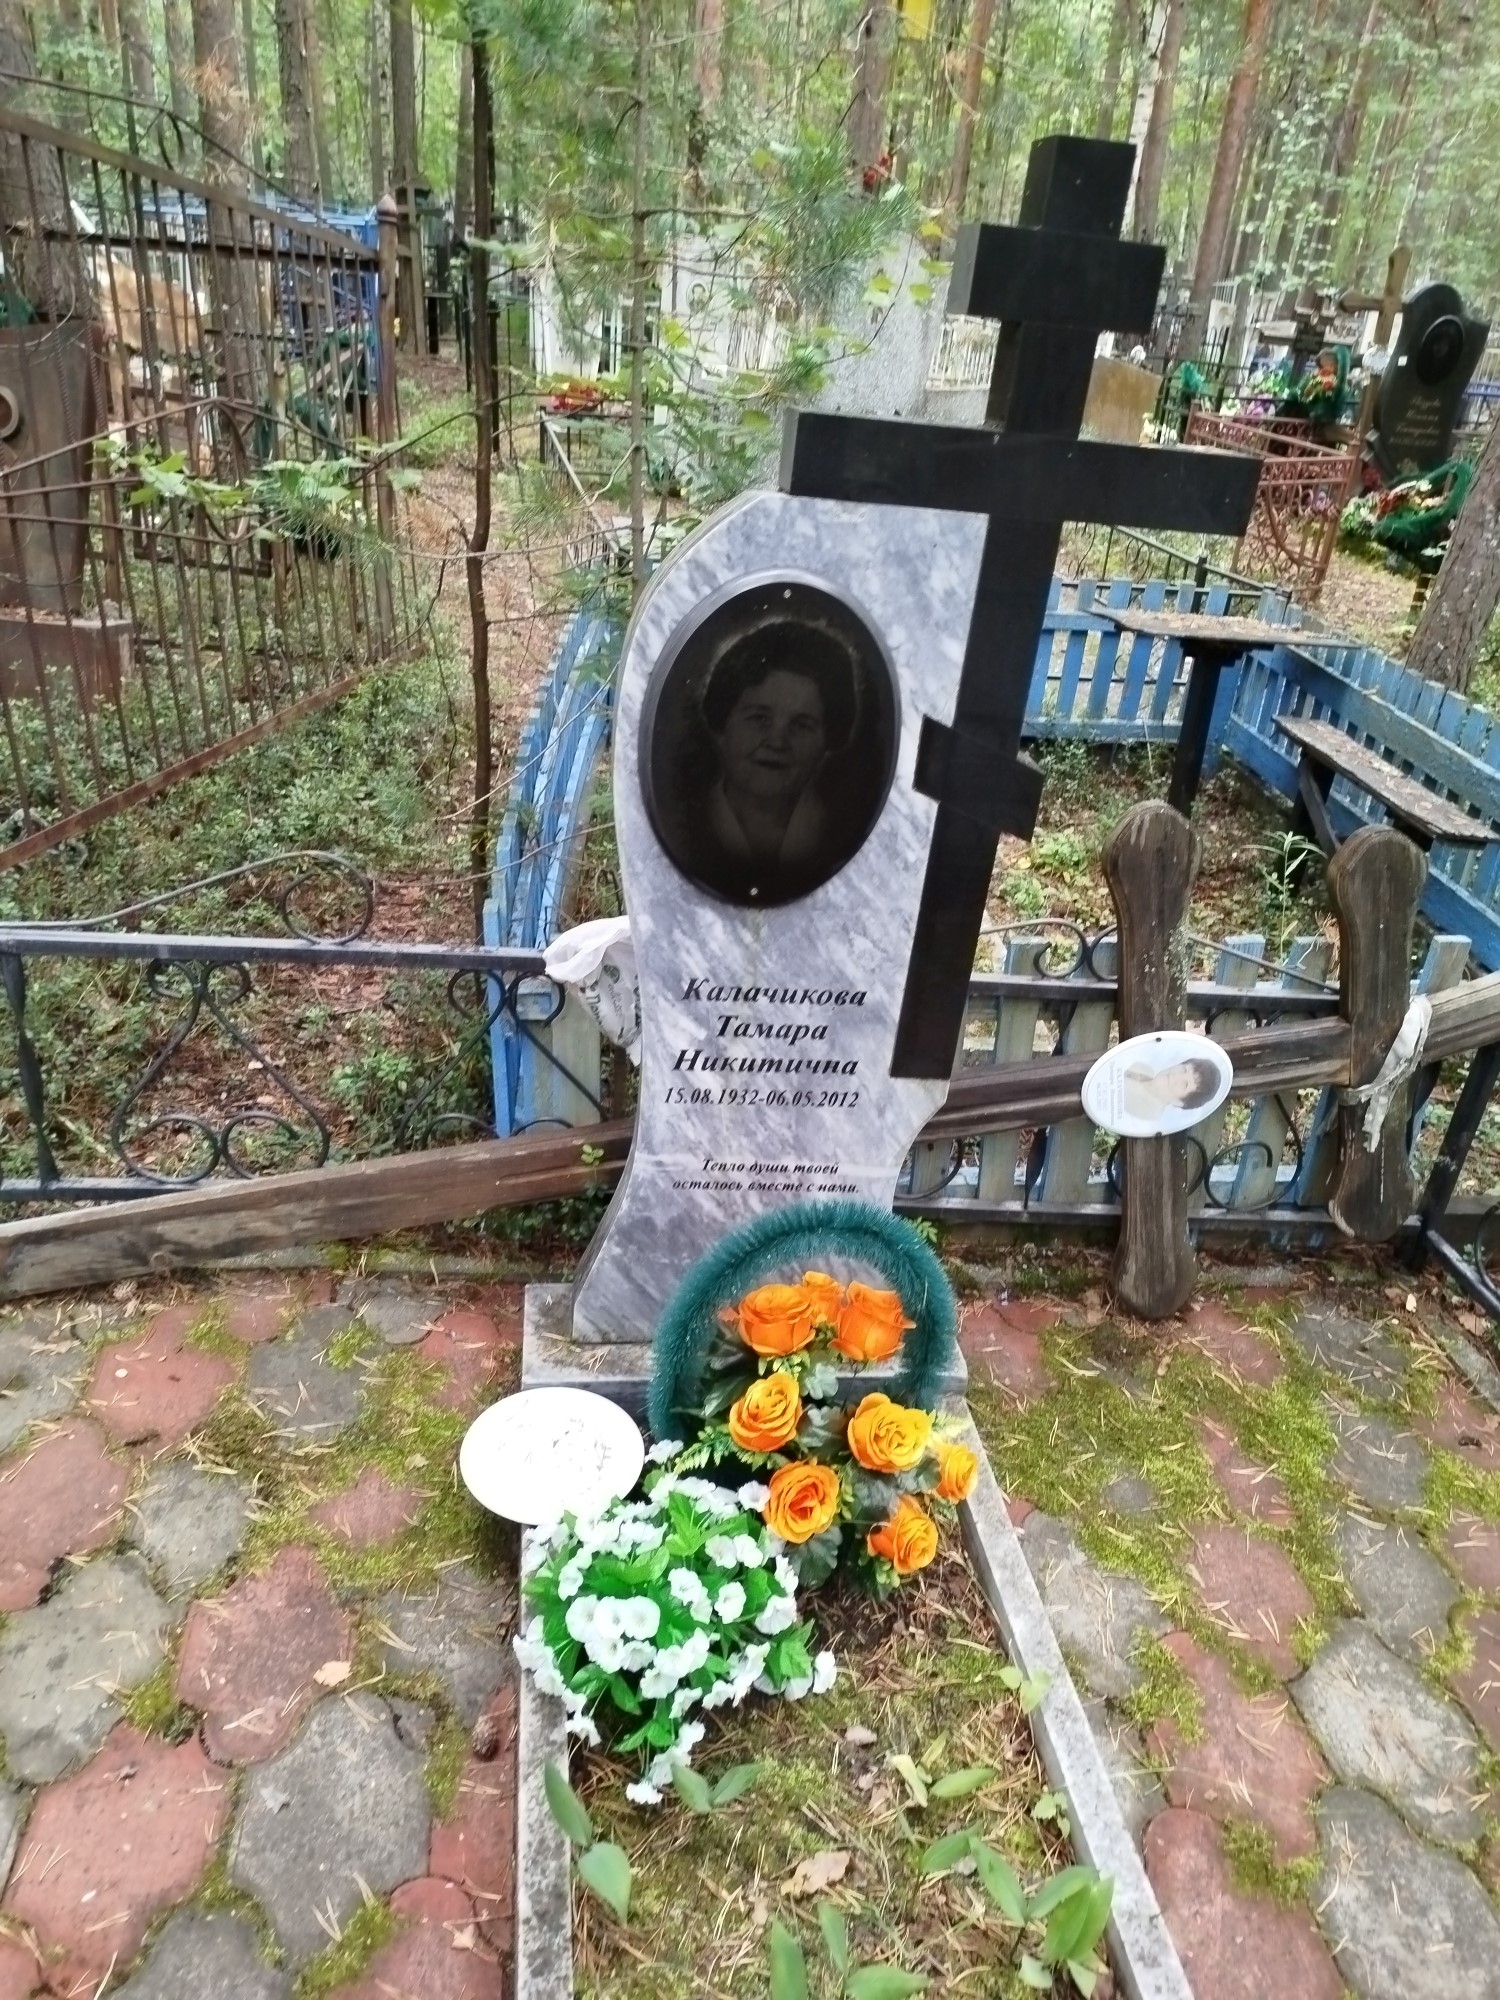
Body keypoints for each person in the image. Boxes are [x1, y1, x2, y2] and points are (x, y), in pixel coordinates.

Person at [692, 622, 860, 902]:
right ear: (723, 724)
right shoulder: (688, 824)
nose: (777, 742)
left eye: (802, 725)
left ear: (828, 740)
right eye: (760, 718)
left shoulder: (842, 836)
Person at [1121, 1053, 1223, 1124]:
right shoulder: (1144, 1069)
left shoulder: (1146, 1115)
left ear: (1180, 1103)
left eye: (1185, 1085)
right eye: (1184, 1069)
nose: (1176, 1076)